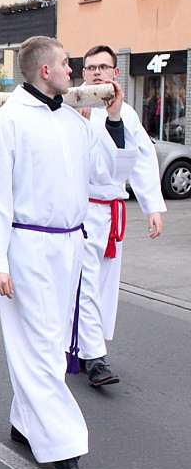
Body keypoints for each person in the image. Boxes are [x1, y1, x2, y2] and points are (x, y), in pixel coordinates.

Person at [0, 36, 137, 469]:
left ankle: (25, 422)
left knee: (51, 342)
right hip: (25, 247)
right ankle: (64, 449)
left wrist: (114, 118)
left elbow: (108, 175)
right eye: (67, 63)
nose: (75, 70)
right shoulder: (6, 123)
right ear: (45, 71)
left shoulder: (74, 121)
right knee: (41, 348)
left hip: (70, 245)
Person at [75, 45, 166, 387]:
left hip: (111, 213)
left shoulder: (125, 112)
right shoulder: (72, 108)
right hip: (81, 209)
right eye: (90, 67)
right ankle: (94, 357)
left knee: (101, 286)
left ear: (115, 72)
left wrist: (152, 207)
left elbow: (142, 158)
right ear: (83, 73)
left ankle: (88, 349)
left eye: (104, 66)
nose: (97, 72)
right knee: (85, 285)